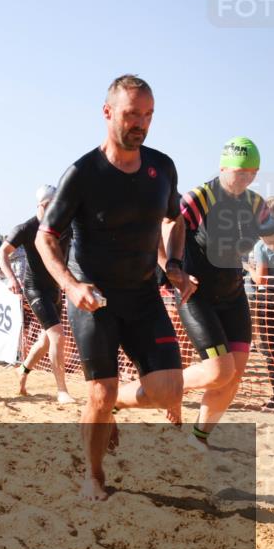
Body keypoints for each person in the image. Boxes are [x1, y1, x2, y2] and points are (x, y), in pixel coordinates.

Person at [37, 74, 195, 502]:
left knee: (170, 390)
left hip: (144, 296)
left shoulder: (161, 167)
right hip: (95, 299)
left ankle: (113, 407)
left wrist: (175, 264)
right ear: (108, 113)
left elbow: (174, 219)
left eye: (148, 115)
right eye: (131, 114)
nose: (140, 123)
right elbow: (45, 238)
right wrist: (70, 286)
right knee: (99, 392)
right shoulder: (82, 173)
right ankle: (93, 475)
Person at [171, 138, 274, 444]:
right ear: (222, 167)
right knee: (218, 369)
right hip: (197, 295)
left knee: (235, 373)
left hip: (233, 297)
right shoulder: (200, 198)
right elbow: (167, 227)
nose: (243, 179)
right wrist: (173, 269)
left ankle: (199, 437)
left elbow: (271, 236)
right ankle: (168, 385)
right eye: (238, 172)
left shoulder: (255, 204)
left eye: (250, 173)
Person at [0, 184, 74, 403]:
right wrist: (11, 278)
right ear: (42, 205)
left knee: (46, 340)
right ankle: (62, 391)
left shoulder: (64, 225)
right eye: (53, 205)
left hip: (55, 289)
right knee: (57, 335)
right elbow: (3, 252)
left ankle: (22, 370)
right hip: (35, 289)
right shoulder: (27, 228)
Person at [252, 206, 274, 411]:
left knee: (271, 350)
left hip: (269, 301)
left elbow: (261, 279)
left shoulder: (262, 246)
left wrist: (248, 268)